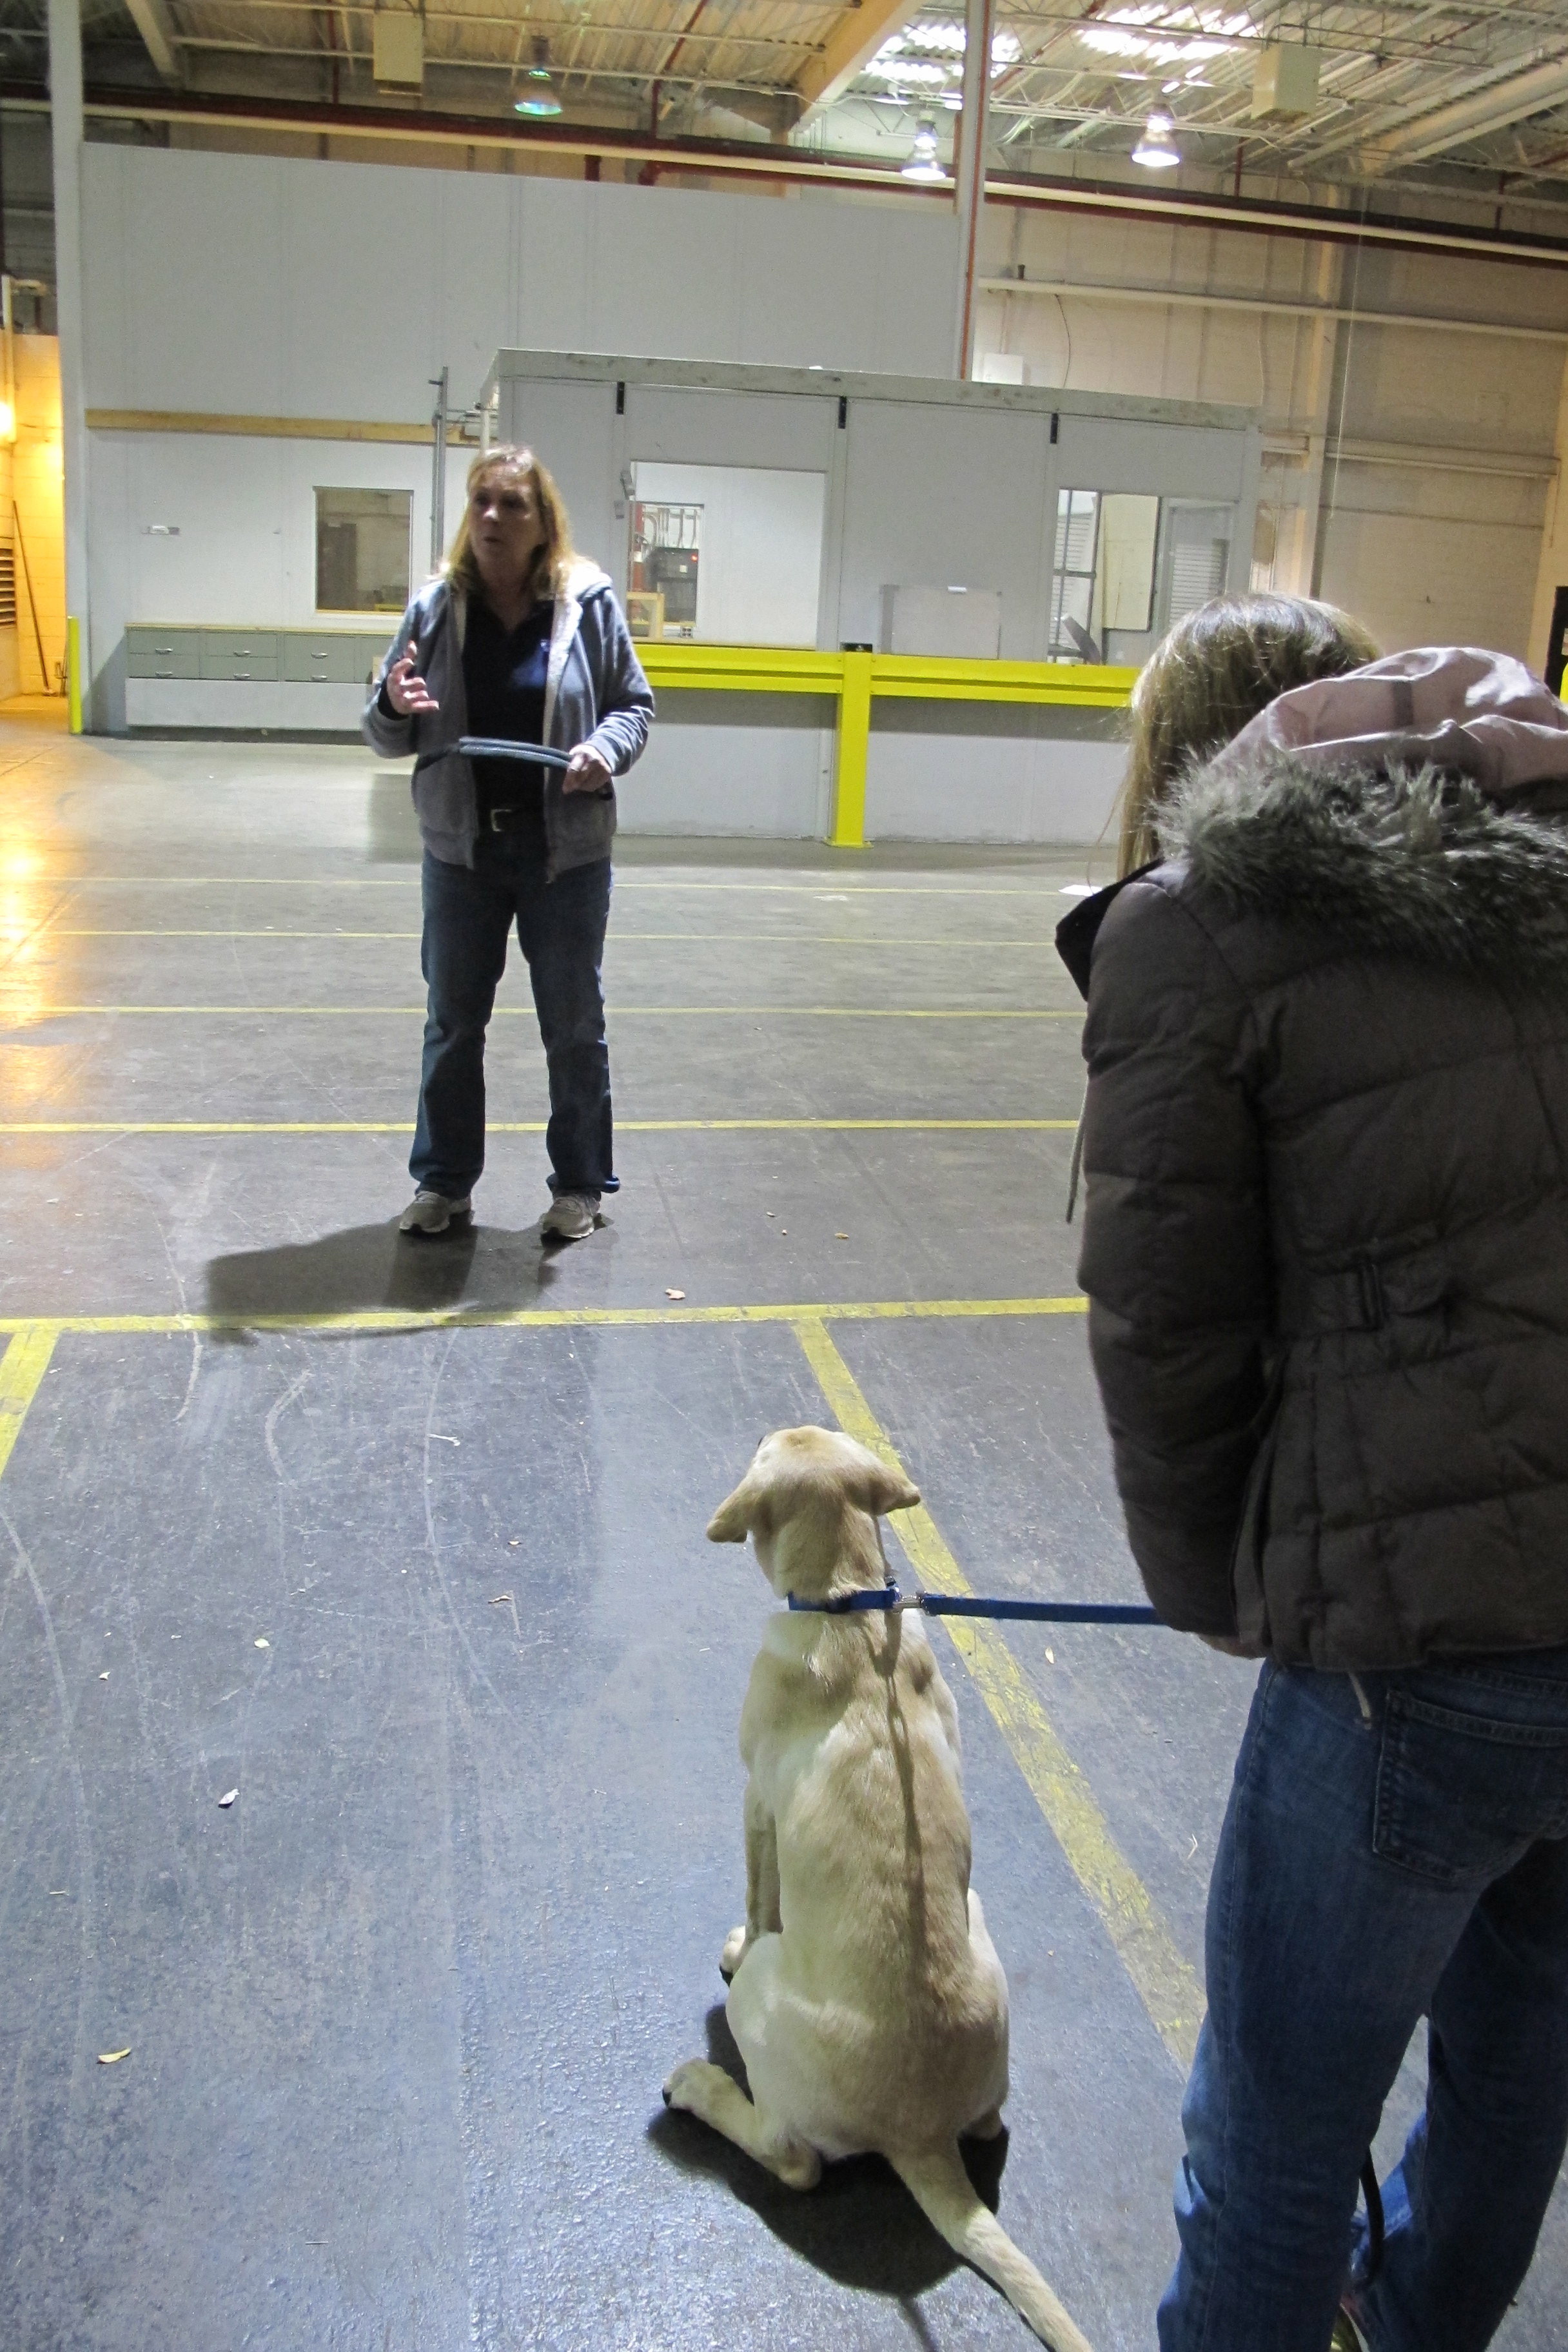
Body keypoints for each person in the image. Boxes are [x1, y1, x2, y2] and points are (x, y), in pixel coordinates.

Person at [1056, 595, 1568, 2352]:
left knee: (1273, 2141)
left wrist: (1216, 1591)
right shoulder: (1546, 859)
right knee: (1513, 2096)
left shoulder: (1192, 932)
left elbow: (1167, 1329)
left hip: (1410, 1666)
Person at [364, 444, 653, 1240]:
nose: (492, 518)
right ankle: (443, 1184)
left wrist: (604, 749)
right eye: (482, 502)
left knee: (571, 1025)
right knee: (453, 1023)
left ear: (542, 523)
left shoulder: (586, 603)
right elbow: (385, 734)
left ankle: (580, 1186)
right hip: (462, 853)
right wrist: (393, 704)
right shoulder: (433, 609)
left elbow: (633, 705)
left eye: (512, 505)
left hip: (564, 855)